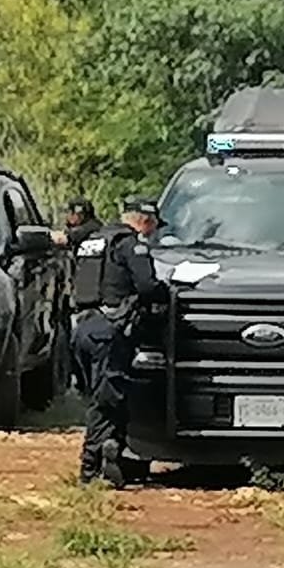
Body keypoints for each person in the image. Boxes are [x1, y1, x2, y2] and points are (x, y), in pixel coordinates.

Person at [72, 195, 169, 488]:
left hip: (82, 326)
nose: (152, 232)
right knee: (107, 400)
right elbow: (148, 285)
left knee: (104, 396)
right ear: (144, 220)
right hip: (109, 330)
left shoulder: (93, 240)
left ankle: (115, 459)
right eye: (152, 226)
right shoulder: (130, 244)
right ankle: (91, 469)